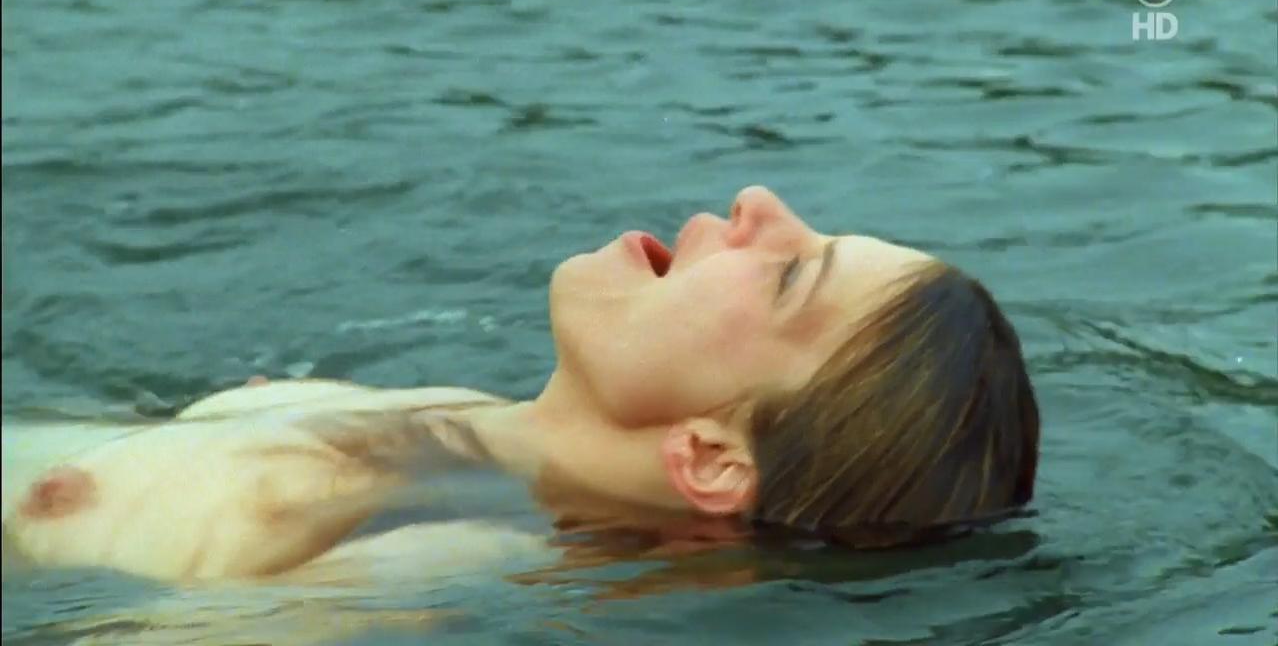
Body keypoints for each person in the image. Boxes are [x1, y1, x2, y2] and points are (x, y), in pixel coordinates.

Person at [1, 185, 1040, 583]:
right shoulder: (455, 421)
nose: (758, 202)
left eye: (790, 275)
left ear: (714, 458)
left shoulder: (417, 554)